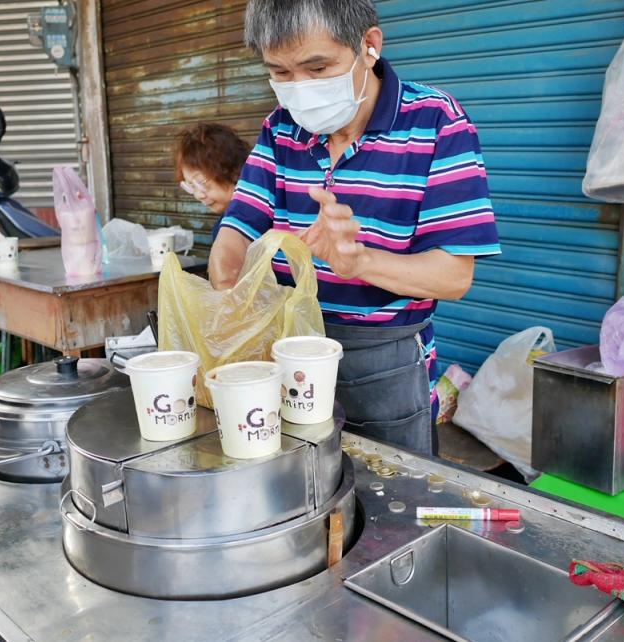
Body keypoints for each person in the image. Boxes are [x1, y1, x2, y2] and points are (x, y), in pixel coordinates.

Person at [209, 0, 501, 455]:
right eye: (281, 73)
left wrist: (359, 261)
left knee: (388, 506)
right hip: (285, 351)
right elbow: (238, 229)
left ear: (369, 45)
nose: (298, 88)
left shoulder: (437, 122)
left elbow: (453, 276)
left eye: (317, 67)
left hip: (383, 363)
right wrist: (230, 275)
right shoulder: (280, 129)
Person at [174, 123, 252, 241]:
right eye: (191, 186)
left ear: (231, 169)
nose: (198, 195)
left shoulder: (263, 222)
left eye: (200, 182)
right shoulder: (223, 227)